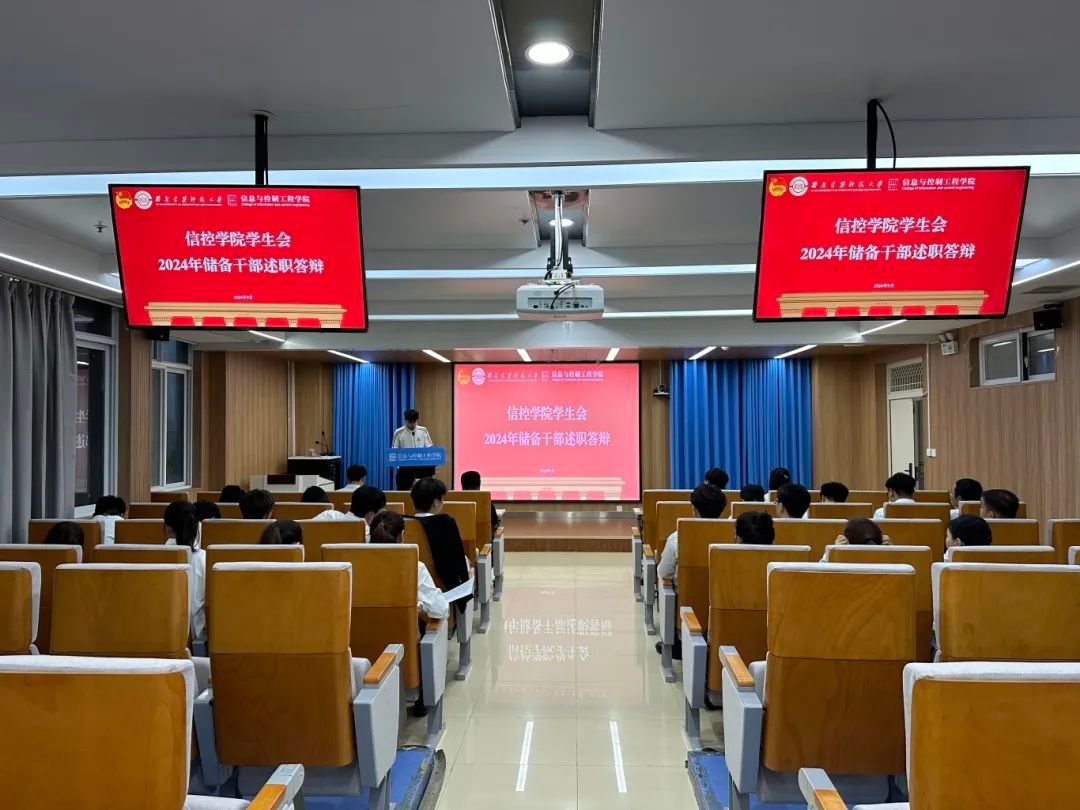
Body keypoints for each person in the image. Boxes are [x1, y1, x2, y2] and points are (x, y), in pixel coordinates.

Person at [655, 483, 727, 660]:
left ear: (693, 509)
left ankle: (674, 644)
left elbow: (663, 573)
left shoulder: (678, 537)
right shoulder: (733, 537)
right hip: (724, 621)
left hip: (687, 617)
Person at [369, 511, 449, 620]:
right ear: (402, 536)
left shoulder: (357, 565)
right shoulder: (415, 567)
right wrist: (421, 606)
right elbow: (440, 610)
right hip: (401, 630)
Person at [405, 478, 471, 609]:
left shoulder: (403, 522)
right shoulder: (445, 522)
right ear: (435, 502)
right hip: (443, 587)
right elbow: (458, 558)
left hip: (412, 584)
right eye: (442, 499)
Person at [163, 501, 205, 641]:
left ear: (168, 528)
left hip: (163, 632)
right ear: (197, 526)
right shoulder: (205, 558)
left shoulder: (156, 557)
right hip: (197, 635)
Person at [393, 408, 435, 479]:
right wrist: (398, 466)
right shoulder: (398, 432)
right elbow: (393, 451)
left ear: (417, 420)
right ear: (406, 420)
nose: (412, 424)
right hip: (405, 467)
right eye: (410, 422)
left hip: (421, 466)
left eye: (414, 422)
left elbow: (429, 448)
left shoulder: (423, 430)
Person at [461, 469, 501, 538]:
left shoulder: (456, 505)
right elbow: (494, 526)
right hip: (485, 543)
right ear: (479, 486)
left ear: (462, 486)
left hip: (461, 543)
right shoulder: (488, 505)